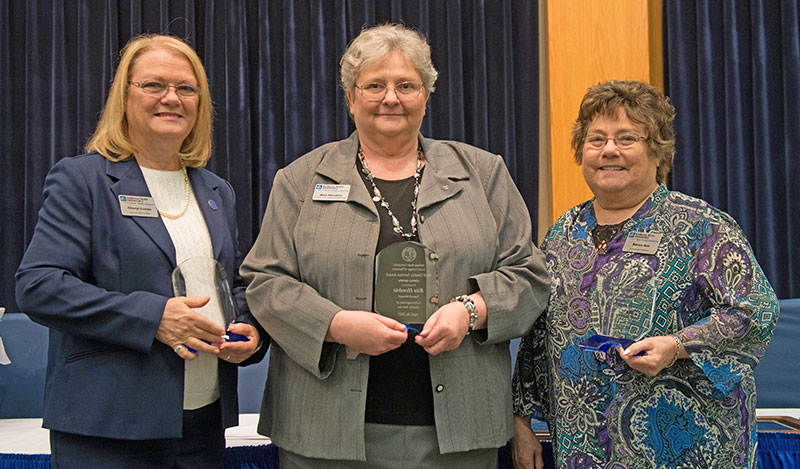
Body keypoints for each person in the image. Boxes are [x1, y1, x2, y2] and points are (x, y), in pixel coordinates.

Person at [241, 23, 549, 468]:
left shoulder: (483, 174)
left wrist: (470, 311)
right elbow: (265, 282)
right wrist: (336, 324)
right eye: (374, 86)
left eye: (406, 85)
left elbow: (529, 275)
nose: (391, 98)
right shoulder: (300, 180)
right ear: (350, 98)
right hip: (324, 429)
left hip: (459, 432)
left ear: (426, 95)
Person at [15, 34, 267, 468]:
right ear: (124, 97)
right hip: (109, 426)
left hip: (202, 425)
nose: (171, 98)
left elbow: (231, 284)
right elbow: (39, 286)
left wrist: (248, 331)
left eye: (186, 88)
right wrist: (153, 319)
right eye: (154, 85)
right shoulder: (83, 180)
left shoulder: (215, 191)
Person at [511, 80, 780, 469]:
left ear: (657, 152)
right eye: (596, 139)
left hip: (684, 448)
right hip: (583, 448)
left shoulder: (700, 226)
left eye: (627, 138)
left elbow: (756, 311)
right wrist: (522, 420)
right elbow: (537, 335)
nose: (608, 150)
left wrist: (678, 344)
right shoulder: (563, 231)